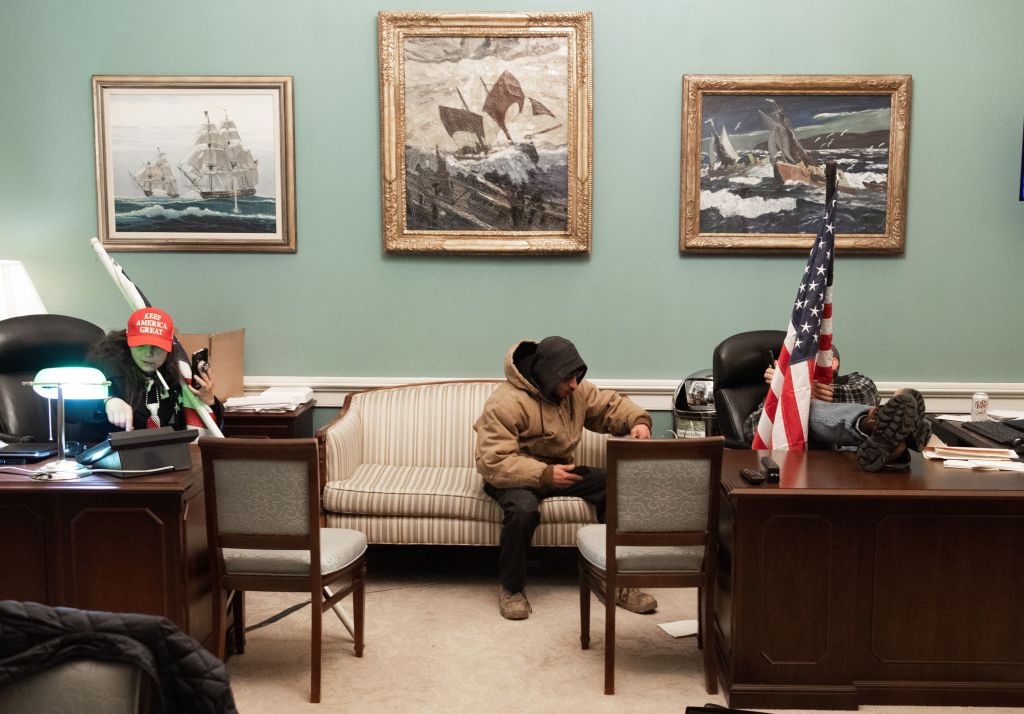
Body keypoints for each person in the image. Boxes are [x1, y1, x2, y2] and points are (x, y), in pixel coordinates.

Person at [474, 336, 657, 620]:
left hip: (561, 470)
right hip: (514, 474)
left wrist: (639, 422)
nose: (574, 384)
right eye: (568, 378)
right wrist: (543, 474)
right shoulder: (504, 402)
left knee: (616, 484)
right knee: (522, 509)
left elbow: (610, 406)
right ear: (548, 375)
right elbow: (494, 461)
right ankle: (511, 589)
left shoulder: (574, 392)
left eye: (577, 376)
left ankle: (616, 580)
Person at [743, 346, 930, 472]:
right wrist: (794, 392)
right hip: (820, 468)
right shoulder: (783, 394)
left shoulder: (857, 381)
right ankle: (894, 436)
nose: (799, 369)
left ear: (833, 363)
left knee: (806, 405)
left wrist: (808, 390)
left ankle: (880, 432)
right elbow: (752, 429)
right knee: (802, 409)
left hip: (863, 461)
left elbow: (865, 394)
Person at [73, 307, 222, 442]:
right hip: (102, 451)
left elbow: (202, 423)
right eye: (140, 345)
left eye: (156, 347)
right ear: (128, 339)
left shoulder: (175, 370)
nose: (148, 354)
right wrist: (106, 402)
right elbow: (69, 409)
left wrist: (208, 400)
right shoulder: (104, 364)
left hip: (157, 453)